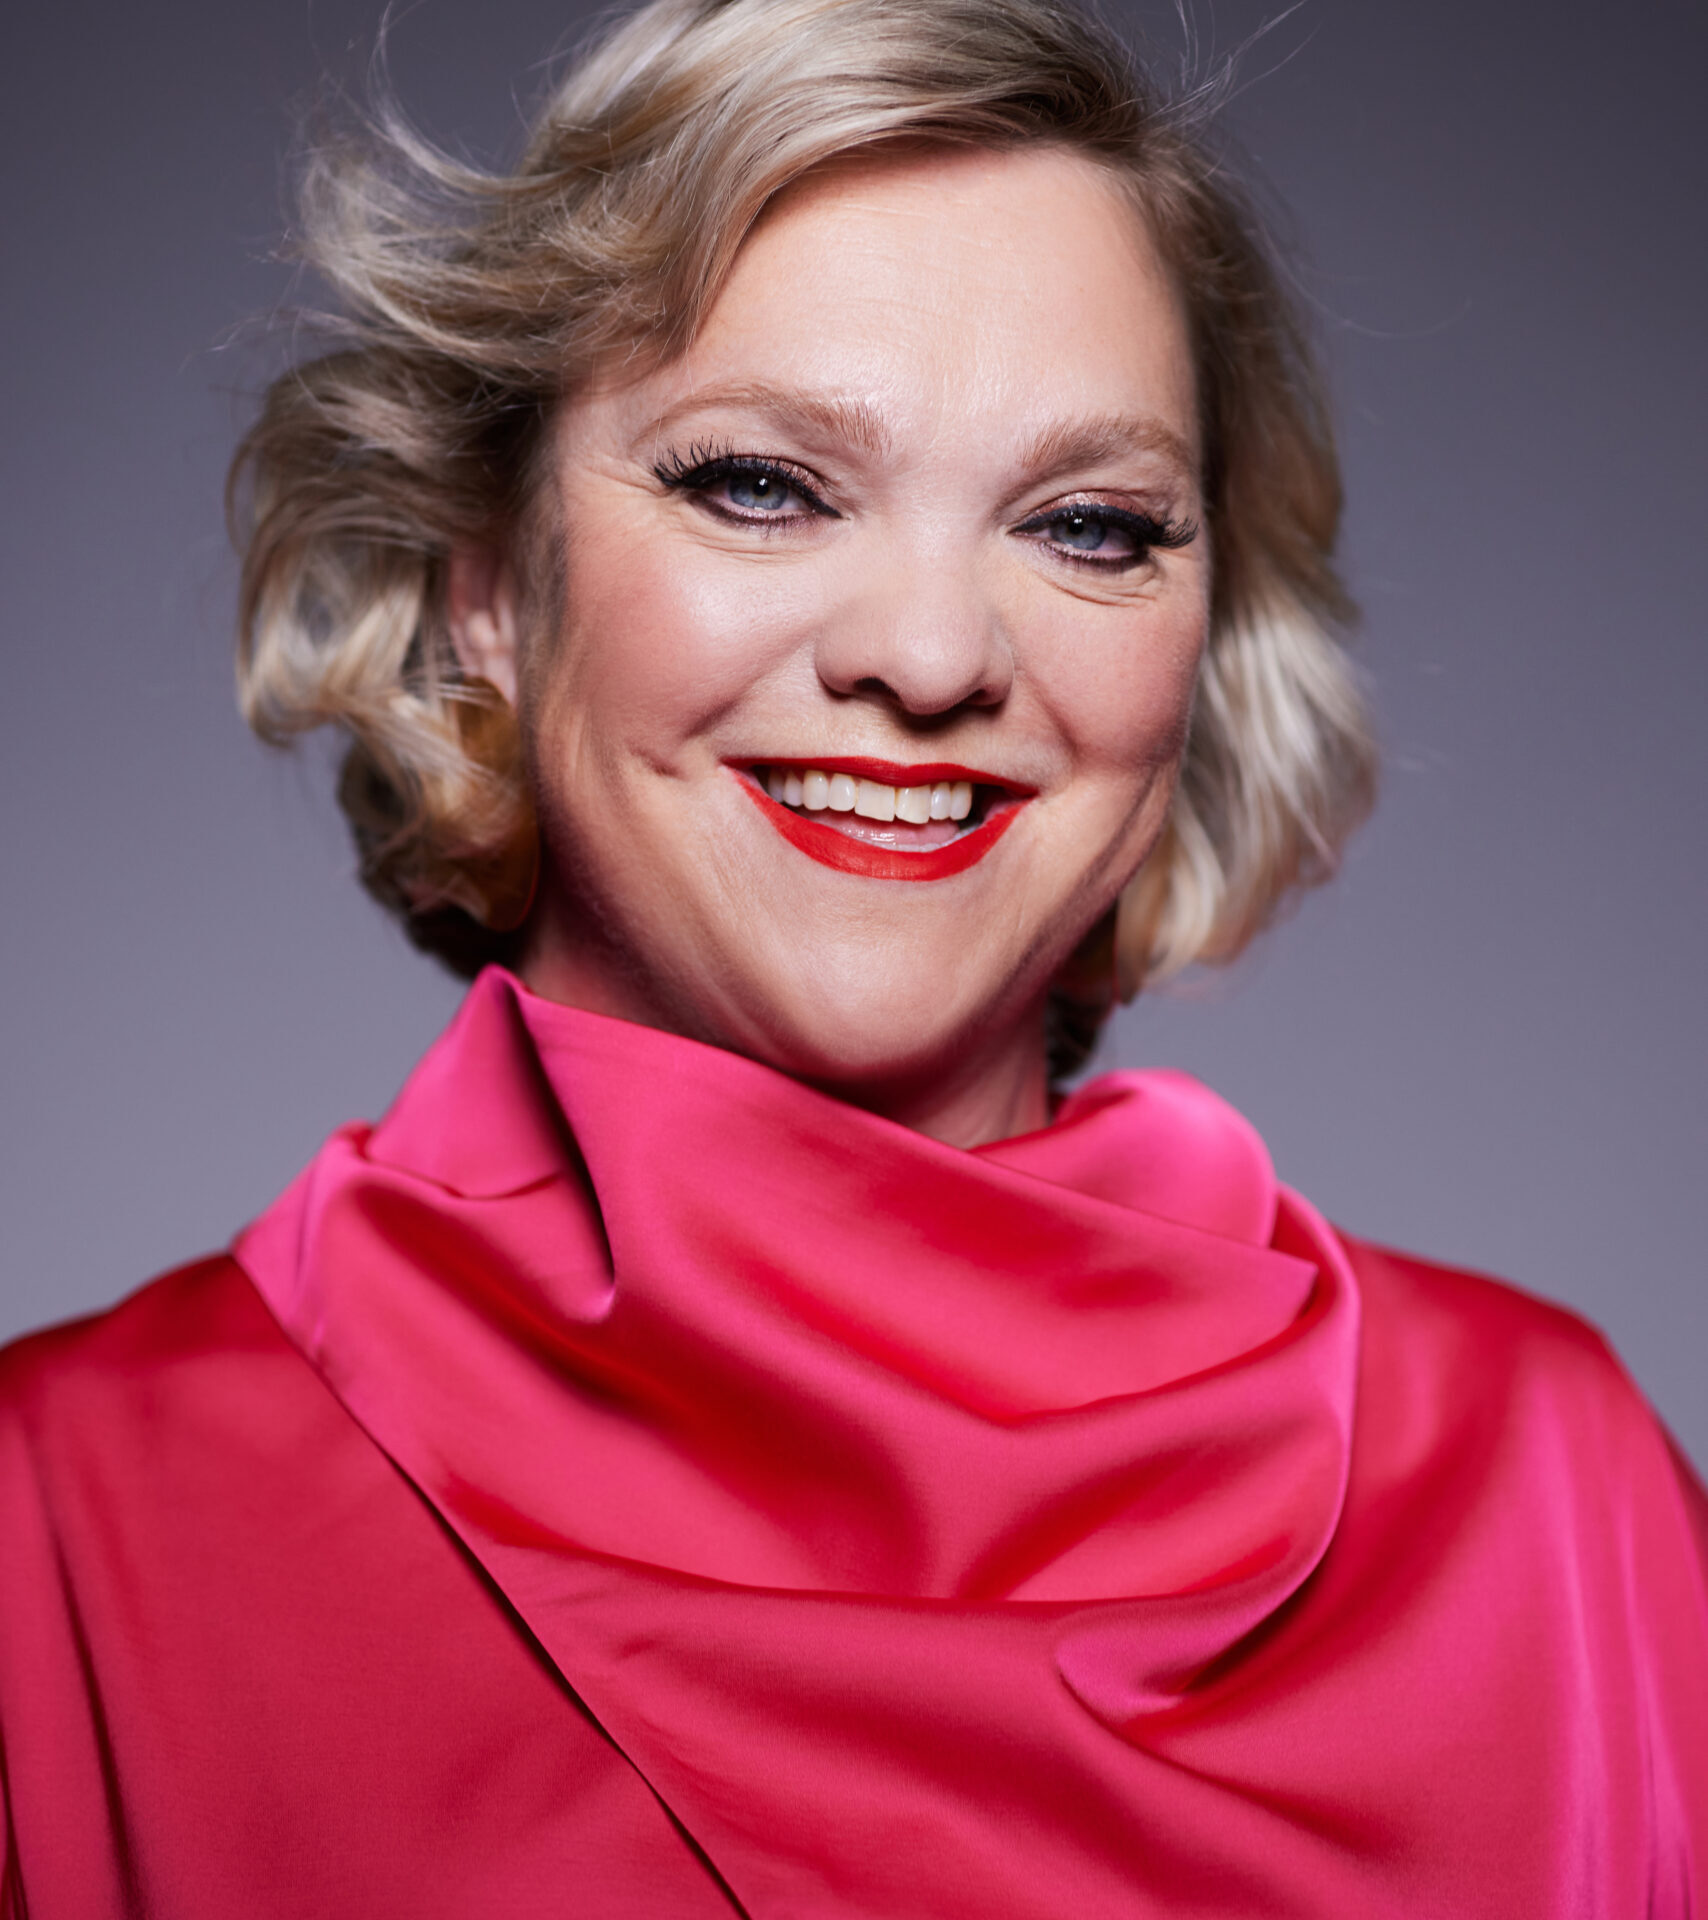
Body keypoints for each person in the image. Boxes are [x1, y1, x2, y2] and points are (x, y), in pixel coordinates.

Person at [2, 0, 1703, 1909]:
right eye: (761, 483)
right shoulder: (60, 1526)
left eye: (1088, 526)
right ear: (489, 591)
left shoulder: (1545, 1491)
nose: (930, 653)